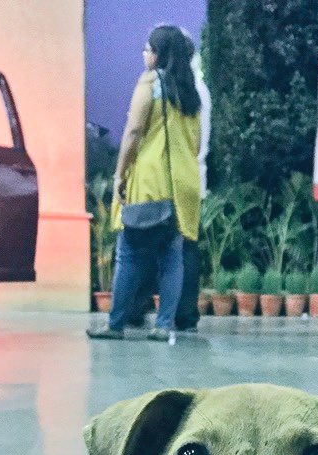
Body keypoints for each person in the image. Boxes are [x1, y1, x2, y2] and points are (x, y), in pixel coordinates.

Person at [87, 25, 201, 342]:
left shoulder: (151, 83)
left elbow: (134, 132)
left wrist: (119, 173)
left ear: (159, 54)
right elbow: (197, 144)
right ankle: (164, 325)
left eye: (148, 48)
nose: (144, 54)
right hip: (184, 184)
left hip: (153, 181)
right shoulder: (190, 93)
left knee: (130, 254)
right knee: (172, 257)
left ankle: (115, 324)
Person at [126, 32, 211, 332]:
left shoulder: (163, 85)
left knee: (152, 245)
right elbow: (200, 144)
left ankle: (136, 309)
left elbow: (137, 131)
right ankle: (182, 315)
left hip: (166, 179)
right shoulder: (196, 89)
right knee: (182, 250)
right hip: (190, 179)